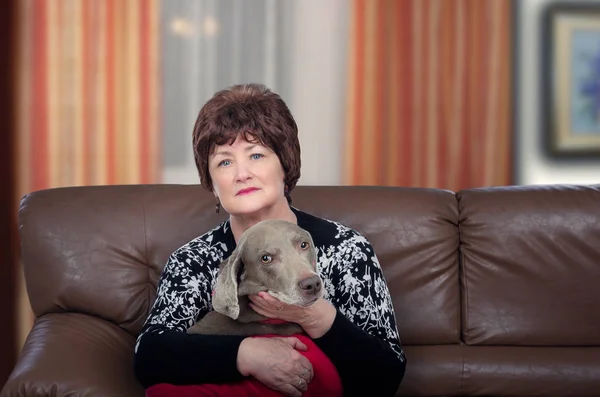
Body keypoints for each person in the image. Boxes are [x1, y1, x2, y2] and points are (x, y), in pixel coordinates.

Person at [134, 83, 406, 397]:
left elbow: (388, 375)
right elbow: (148, 357)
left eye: (257, 155)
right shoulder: (193, 259)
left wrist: (315, 316)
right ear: (212, 183)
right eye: (224, 162)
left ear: (285, 164)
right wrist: (245, 355)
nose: (241, 174)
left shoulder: (346, 249)